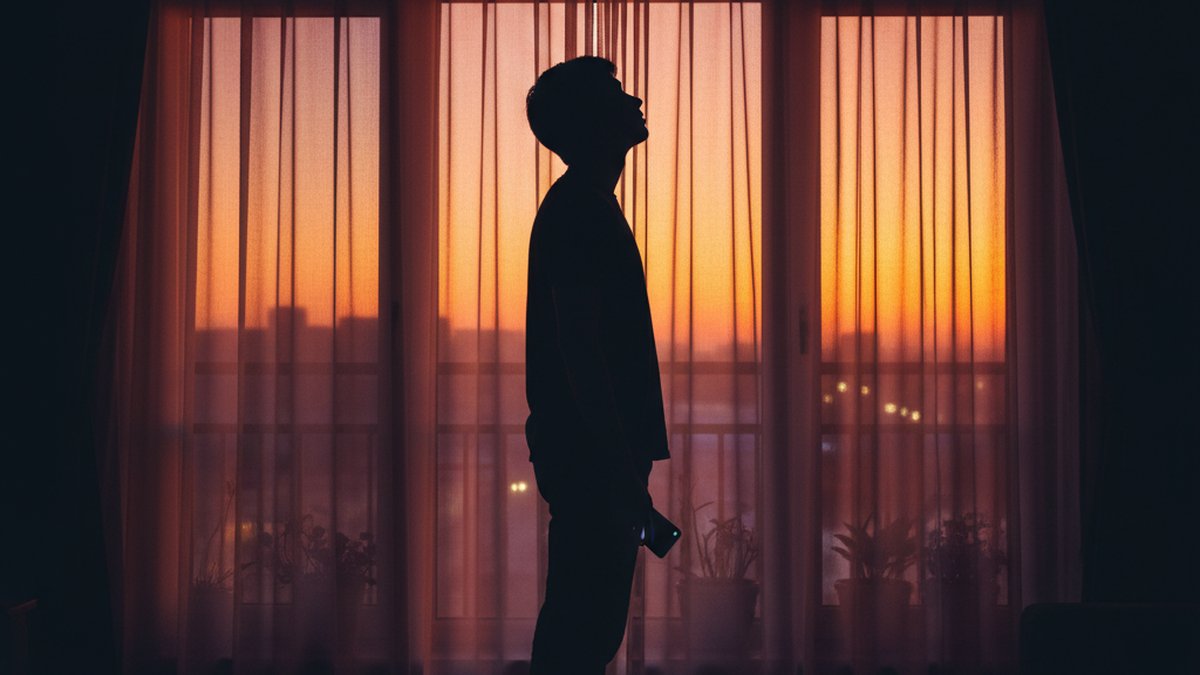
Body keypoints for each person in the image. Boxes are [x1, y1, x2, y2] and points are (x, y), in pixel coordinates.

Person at [524, 56, 670, 674]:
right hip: (592, 456)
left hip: (592, 453)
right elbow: (581, 348)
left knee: (585, 625)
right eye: (616, 95)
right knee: (584, 630)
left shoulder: (584, 206)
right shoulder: (581, 211)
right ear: (589, 124)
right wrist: (618, 466)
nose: (634, 100)